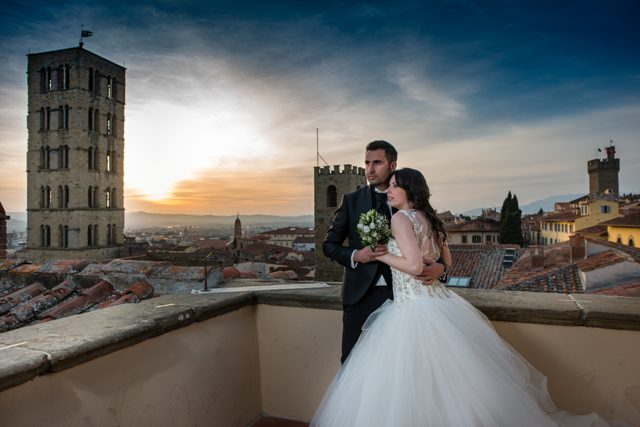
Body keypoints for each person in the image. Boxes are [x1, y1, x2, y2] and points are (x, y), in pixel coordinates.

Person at [312, 168, 619, 427]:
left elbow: (415, 265)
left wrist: (383, 256)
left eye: (394, 186)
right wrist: (438, 267)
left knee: (409, 388)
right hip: (439, 303)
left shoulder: (401, 219)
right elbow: (446, 261)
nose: (388, 191)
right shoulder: (429, 218)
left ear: (408, 190)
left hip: (412, 310)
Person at [322, 141, 446, 364]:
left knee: (402, 366)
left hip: (402, 298)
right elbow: (329, 246)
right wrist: (355, 255)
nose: (370, 169)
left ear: (392, 165)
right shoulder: (351, 201)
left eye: (377, 162)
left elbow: (430, 244)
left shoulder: (409, 205)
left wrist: (442, 268)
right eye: (367, 162)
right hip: (360, 297)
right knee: (352, 363)